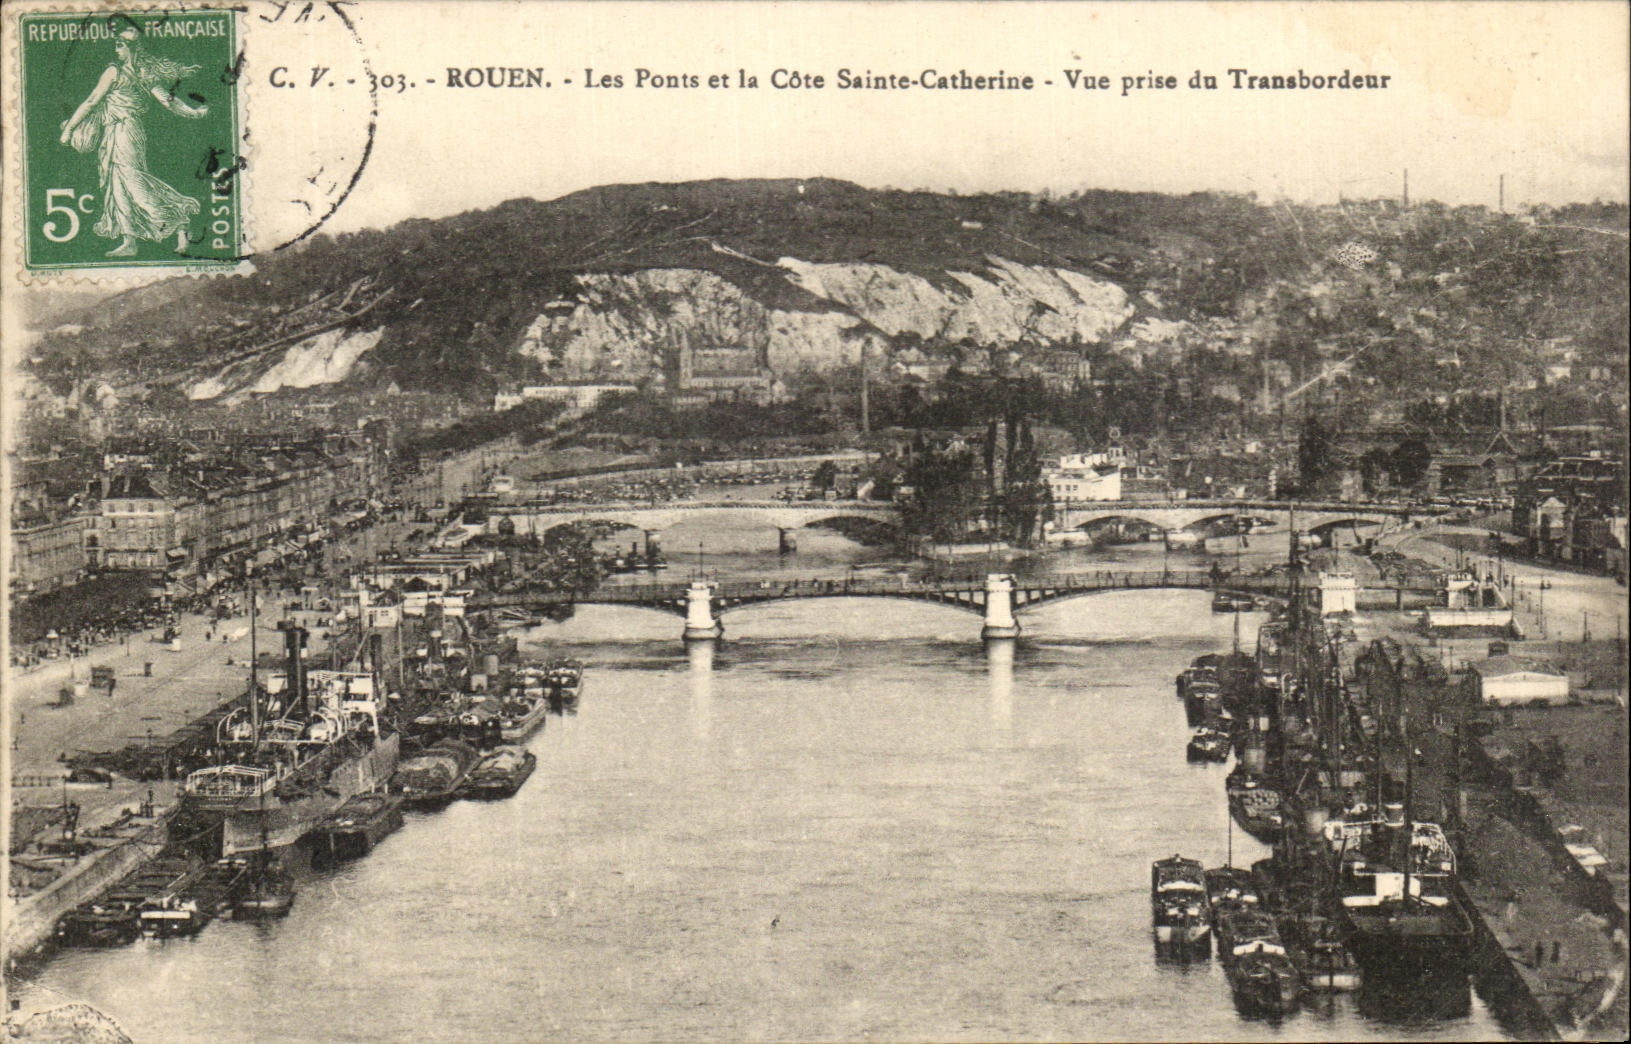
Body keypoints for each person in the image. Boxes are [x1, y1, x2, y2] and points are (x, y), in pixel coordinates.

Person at [58, 25, 208, 256]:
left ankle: (179, 221)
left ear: (131, 48)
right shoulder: (141, 74)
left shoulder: (117, 72)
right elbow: (169, 101)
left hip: (126, 131)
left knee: (133, 183)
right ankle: (129, 241)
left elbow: (91, 102)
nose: (116, 50)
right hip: (114, 132)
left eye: (120, 45)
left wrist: (69, 129)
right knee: (116, 186)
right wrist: (194, 113)